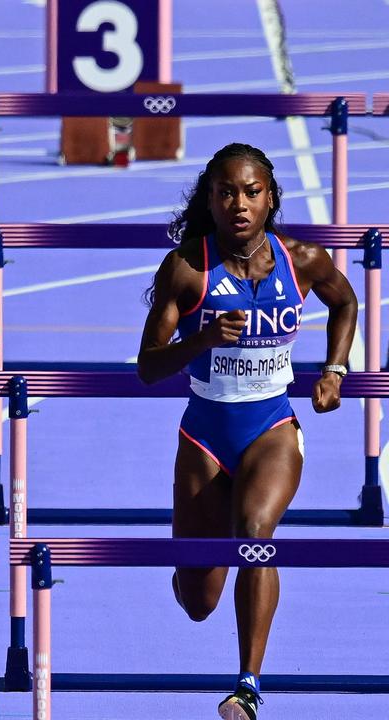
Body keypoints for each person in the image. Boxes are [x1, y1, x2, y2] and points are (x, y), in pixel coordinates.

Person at [137, 142, 357, 719]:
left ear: (269, 199)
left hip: (272, 427)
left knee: (257, 532)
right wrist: (203, 339)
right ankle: (193, 567)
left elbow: (345, 303)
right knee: (198, 600)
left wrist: (335, 368)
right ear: (209, 201)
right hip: (205, 437)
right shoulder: (187, 268)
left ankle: (247, 687)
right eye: (227, 192)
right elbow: (148, 366)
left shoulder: (302, 259)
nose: (240, 203)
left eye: (252, 192)